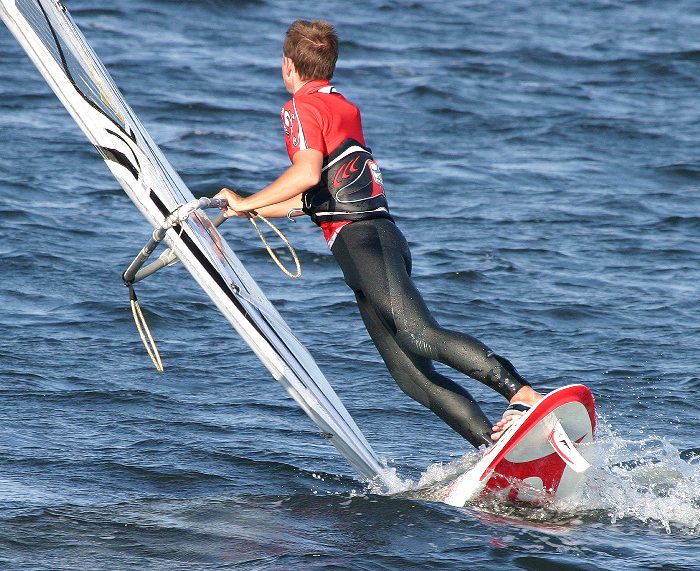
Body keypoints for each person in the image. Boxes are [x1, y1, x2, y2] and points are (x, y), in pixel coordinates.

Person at [215, 19, 542, 448]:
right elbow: (322, 193)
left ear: (288, 65)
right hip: (371, 239)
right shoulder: (341, 106)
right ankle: (496, 448)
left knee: (420, 334)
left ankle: (522, 395)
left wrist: (245, 200)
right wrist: (245, 212)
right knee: (412, 376)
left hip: (364, 240)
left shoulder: (300, 106)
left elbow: (306, 172)